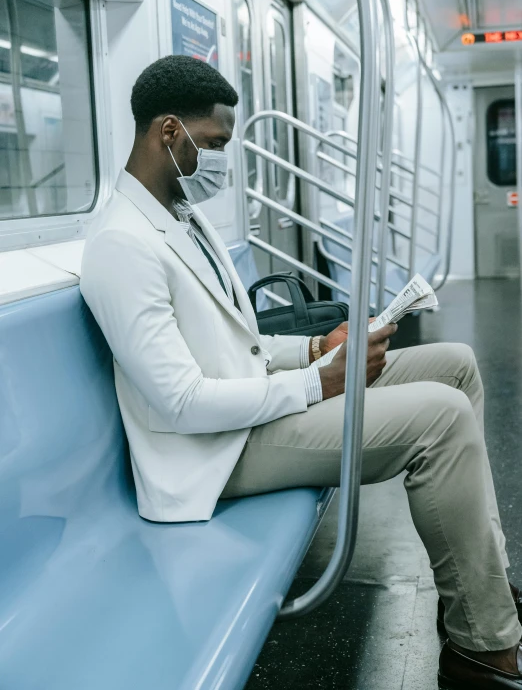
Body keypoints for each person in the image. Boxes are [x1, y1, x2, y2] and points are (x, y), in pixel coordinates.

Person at [80, 55, 522, 688]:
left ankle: (487, 587)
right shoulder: (120, 244)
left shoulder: (183, 216)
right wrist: (321, 383)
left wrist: (317, 351)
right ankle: (483, 644)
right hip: (214, 453)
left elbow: (235, 346)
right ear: (168, 132)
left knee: (456, 366)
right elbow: (179, 402)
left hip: (253, 408)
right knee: (441, 419)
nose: (220, 161)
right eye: (213, 144)